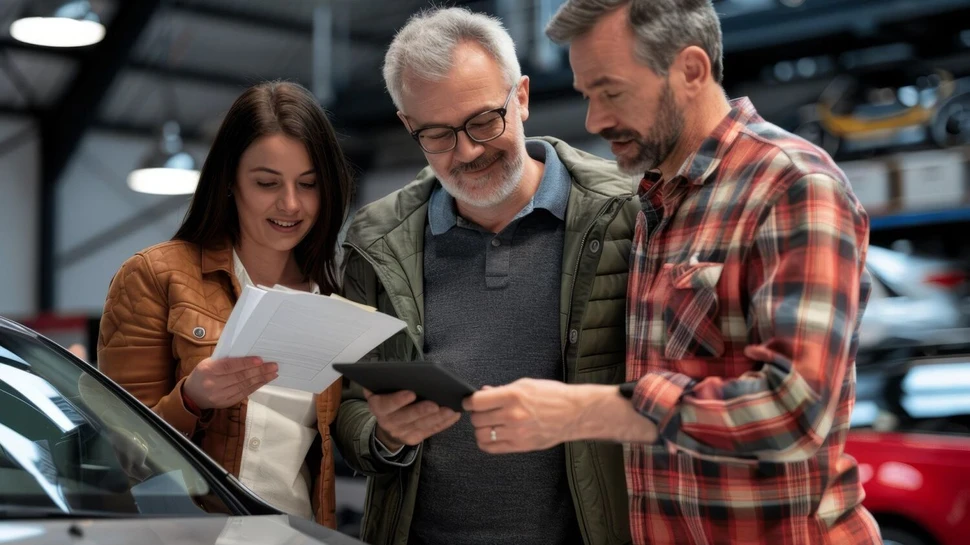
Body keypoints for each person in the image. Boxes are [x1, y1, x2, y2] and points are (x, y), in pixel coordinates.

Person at [463, 1, 882, 544]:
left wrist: (587, 411)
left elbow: (792, 412)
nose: (594, 120)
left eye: (610, 92)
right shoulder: (656, 203)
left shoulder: (792, 185)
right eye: (587, 95)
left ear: (690, 70)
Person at [332, 7, 638, 545]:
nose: (467, 151)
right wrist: (384, 434)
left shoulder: (625, 215)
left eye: (482, 122)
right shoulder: (377, 240)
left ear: (520, 96)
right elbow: (350, 406)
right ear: (408, 126)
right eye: (438, 134)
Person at [97, 81, 355, 527]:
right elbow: (114, 452)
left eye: (309, 184)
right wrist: (192, 399)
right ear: (230, 181)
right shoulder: (157, 276)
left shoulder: (334, 297)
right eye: (266, 183)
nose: (290, 204)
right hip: (191, 537)